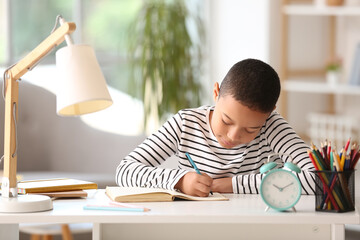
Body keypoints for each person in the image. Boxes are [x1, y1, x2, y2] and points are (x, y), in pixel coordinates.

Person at [116, 58, 315, 197]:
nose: (233, 135)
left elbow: (320, 179)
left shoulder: (272, 126)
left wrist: (232, 185)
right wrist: (180, 181)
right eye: (226, 121)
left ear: (270, 112)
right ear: (216, 92)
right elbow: (125, 172)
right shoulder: (186, 123)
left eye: (251, 129)